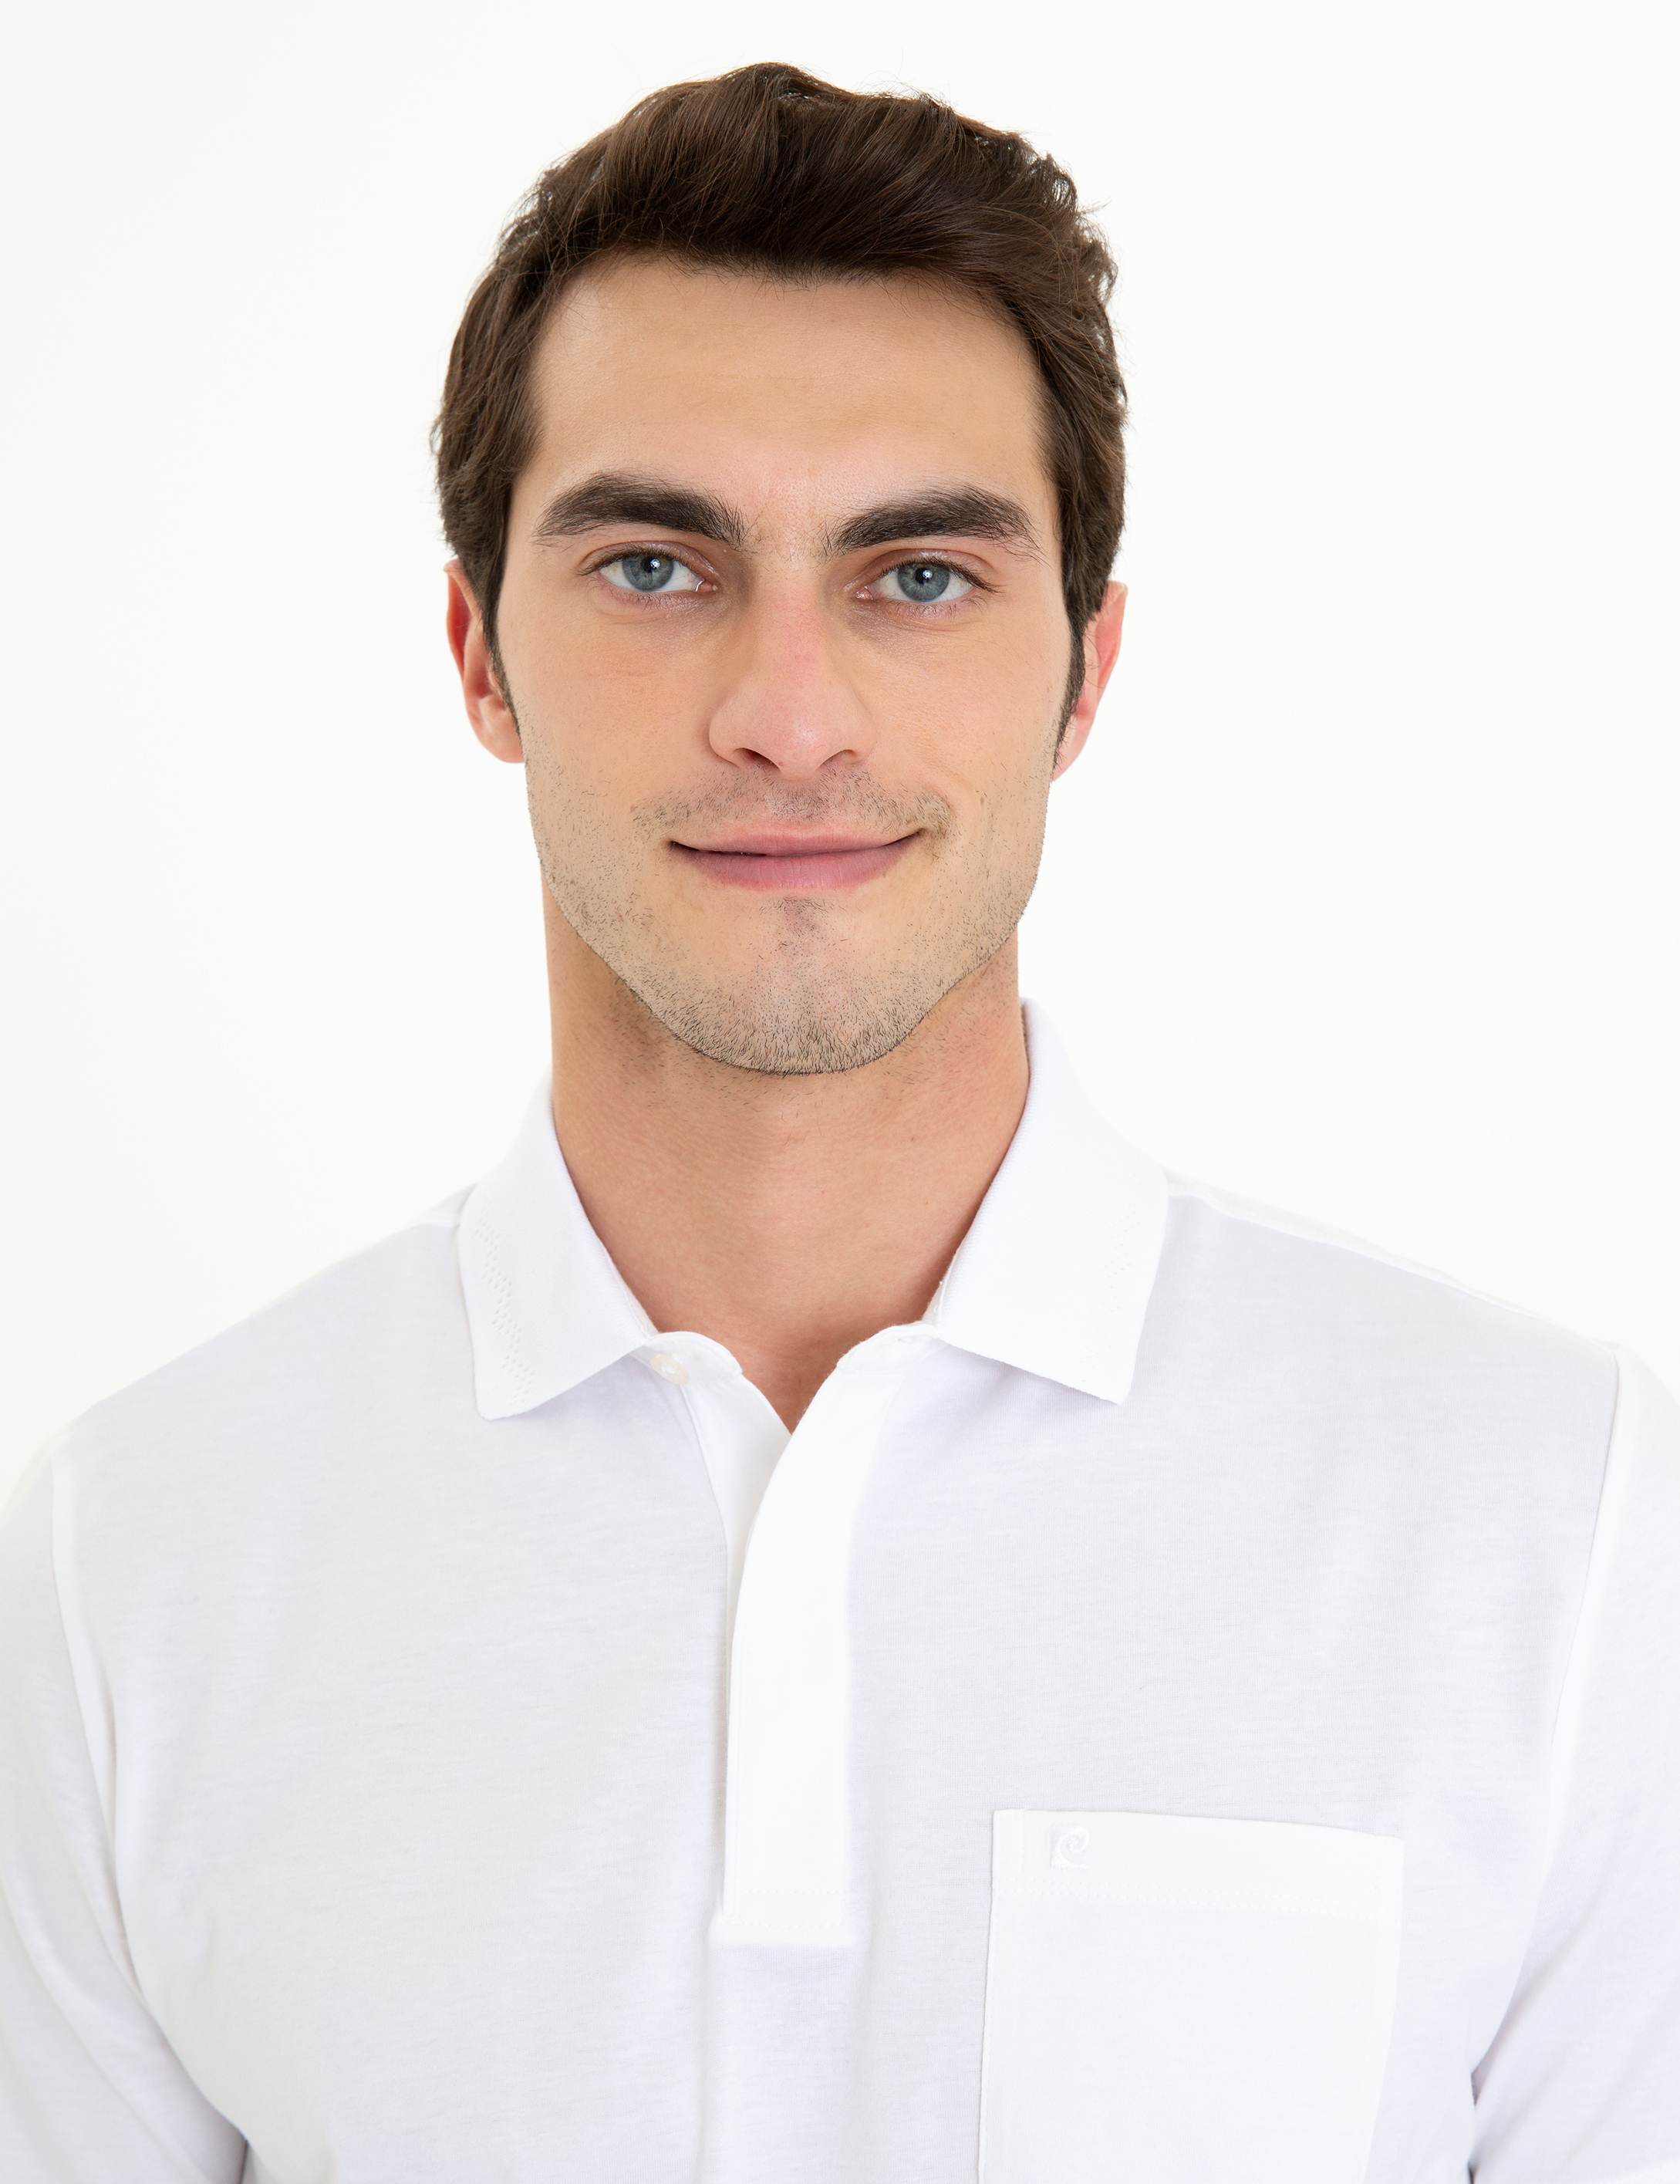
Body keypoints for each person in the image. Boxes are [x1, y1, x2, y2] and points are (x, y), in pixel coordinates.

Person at [1, 57, 1675, 2184]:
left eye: (919, 578)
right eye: (653, 566)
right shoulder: (135, 1565)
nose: (787, 715)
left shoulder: (1558, 1523)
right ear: (478, 655)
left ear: (1084, 675)